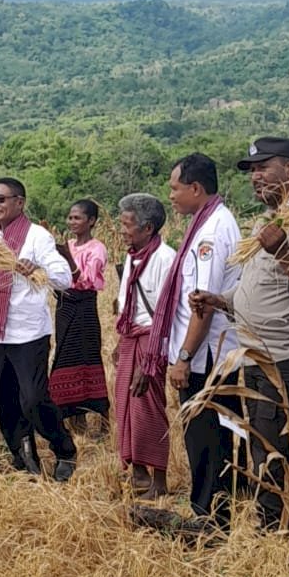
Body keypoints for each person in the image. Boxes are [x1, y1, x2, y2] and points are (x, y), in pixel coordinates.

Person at [190, 136, 289, 528]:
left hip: (285, 360)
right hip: (255, 355)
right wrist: (219, 300)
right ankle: (272, 523)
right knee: (262, 445)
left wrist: (285, 252)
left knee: (281, 448)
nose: (255, 177)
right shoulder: (266, 221)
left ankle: (285, 532)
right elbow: (256, 289)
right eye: (251, 171)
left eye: (262, 167)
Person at [140, 154, 241, 517]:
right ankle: (222, 506)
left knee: (205, 437)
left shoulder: (210, 234)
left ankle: (209, 514)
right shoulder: (211, 220)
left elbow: (204, 304)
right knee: (216, 433)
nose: (171, 196)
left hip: (205, 355)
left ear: (196, 189)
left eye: (175, 188)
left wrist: (184, 358)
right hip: (212, 350)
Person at [0, 177, 77, 480]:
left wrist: (37, 269)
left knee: (34, 399)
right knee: (5, 402)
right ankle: (25, 460)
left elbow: (64, 277)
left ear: (20, 202)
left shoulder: (37, 237)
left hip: (29, 334)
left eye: (1, 199)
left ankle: (64, 447)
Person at [114, 193, 176, 498]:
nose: (122, 229)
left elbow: (166, 315)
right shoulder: (131, 254)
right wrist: (120, 343)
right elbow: (127, 302)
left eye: (127, 224)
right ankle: (138, 474)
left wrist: (148, 359)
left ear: (147, 228)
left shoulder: (166, 259)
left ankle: (160, 481)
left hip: (152, 342)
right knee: (126, 408)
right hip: (131, 338)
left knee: (150, 409)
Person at [49, 199, 110, 432]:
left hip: (83, 311)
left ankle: (103, 420)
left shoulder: (97, 249)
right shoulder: (70, 246)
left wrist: (68, 258)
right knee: (65, 359)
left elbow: (87, 281)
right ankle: (77, 421)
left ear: (91, 221)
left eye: (77, 218)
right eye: (70, 217)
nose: (71, 222)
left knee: (88, 360)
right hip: (65, 308)